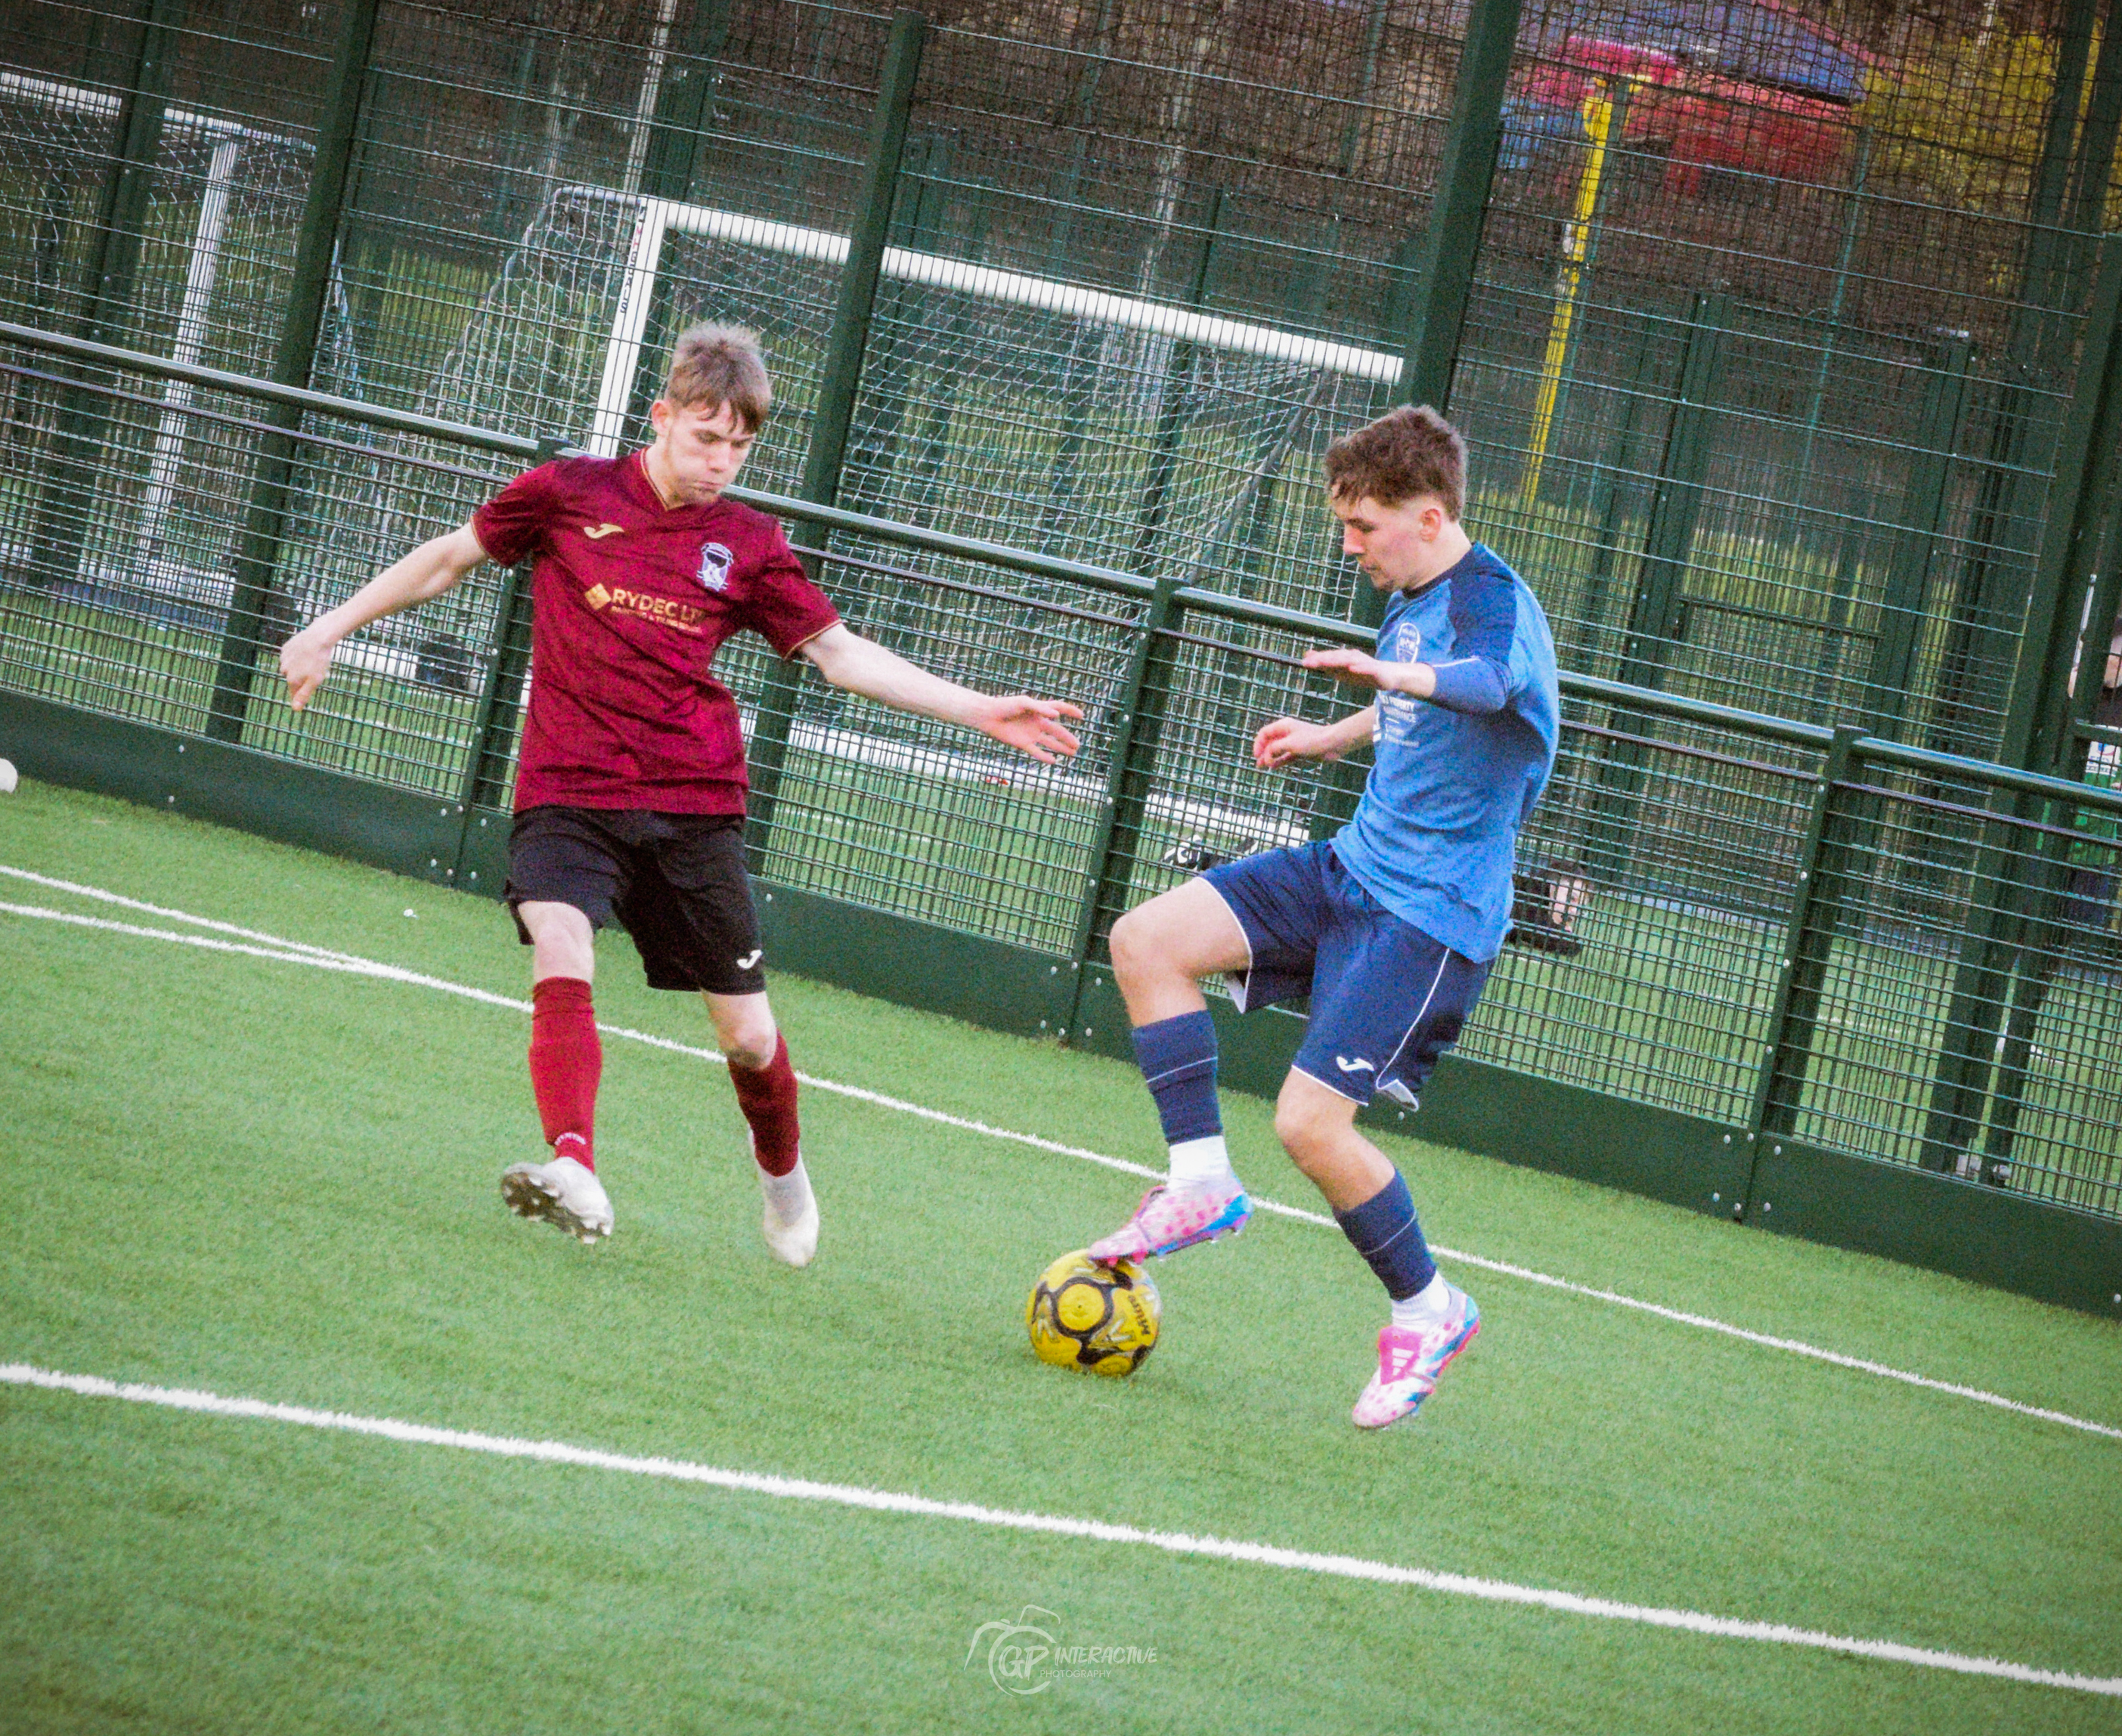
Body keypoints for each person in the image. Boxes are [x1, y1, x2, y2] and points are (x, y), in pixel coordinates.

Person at [279, 323, 1082, 1261]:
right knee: (559, 938)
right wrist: (327, 625)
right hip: (569, 789)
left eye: (740, 446)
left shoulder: (746, 542)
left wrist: (978, 707)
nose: (722, 461)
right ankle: (573, 1161)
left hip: (691, 804)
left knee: (745, 1036)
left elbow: (837, 653)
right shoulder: (566, 493)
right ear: (659, 417)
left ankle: (781, 1172)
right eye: (706, 438)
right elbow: (447, 558)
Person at [1085, 404, 1559, 1429]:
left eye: (1362, 528)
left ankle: (1429, 1309)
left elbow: (1483, 685)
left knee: (1307, 1125)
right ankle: (1200, 1183)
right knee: (1144, 942)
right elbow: (1410, 706)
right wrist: (1331, 734)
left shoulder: (1491, 603)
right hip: (1349, 869)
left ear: (1426, 517)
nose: (1347, 548)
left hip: (1429, 916)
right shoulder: (1409, 589)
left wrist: (1388, 673)